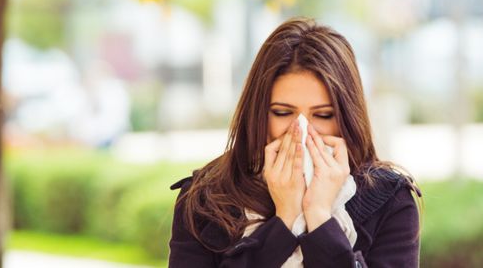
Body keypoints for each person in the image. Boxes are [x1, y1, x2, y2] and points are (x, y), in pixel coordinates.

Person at [168, 17, 422, 267]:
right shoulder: (204, 199)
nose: (302, 130)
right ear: (259, 113)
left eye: (323, 115)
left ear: (346, 117)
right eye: (282, 112)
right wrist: (284, 220)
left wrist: (320, 218)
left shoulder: (389, 199)